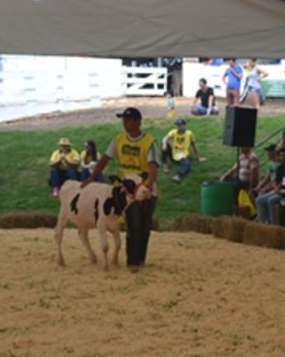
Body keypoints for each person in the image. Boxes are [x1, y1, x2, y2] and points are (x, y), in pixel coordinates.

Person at [82, 107, 159, 272]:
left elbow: (153, 166)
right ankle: (132, 261)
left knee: (145, 227)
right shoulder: (118, 140)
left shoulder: (149, 142)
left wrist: (149, 183)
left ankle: (140, 258)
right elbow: (105, 159)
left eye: (128, 120)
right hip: (128, 191)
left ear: (137, 122)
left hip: (145, 189)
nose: (124, 123)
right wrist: (92, 176)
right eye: (123, 120)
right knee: (134, 224)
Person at [255, 147, 285, 225]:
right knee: (259, 200)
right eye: (281, 156)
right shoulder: (280, 168)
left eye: (284, 155)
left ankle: (273, 223)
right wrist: (276, 187)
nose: (282, 157)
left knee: (272, 200)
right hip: (280, 190)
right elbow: (276, 180)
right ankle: (262, 220)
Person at [161, 119, 202, 183]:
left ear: (184, 126)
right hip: (174, 153)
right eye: (177, 125)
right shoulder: (173, 132)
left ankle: (178, 176)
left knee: (187, 164)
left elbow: (194, 145)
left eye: (180, 125)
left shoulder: (189, 134)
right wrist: (164, 144)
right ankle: (165, 165)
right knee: (164, 144)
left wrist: (198, 157)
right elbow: (165, 138)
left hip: (183, 155)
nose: (178, 127)